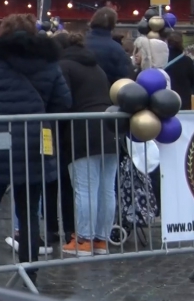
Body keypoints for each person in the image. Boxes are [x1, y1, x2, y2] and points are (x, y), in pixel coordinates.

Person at [0, 14, 72, 283]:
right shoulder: (49, 62)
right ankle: (30, 269)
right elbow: (63, 102)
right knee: (29, 211)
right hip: (34, 143)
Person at [53, 32, 119, 257]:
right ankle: (101, 239)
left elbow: (63, 101)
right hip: (110, 127)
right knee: (106, 188)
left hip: (82, 130)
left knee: (84, 188)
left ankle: (83, 240)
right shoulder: (95, 66)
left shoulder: (64, 66)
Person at [86, 8, 133, 84]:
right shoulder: (117, 49)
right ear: (113, 25)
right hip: (106, 91)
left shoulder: (80, 43)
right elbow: (125, 77)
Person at [164, 32, 194, 110]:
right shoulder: (187, 61)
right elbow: (193, 80)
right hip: (183, 98)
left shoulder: (163, 59)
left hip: (165, 98)